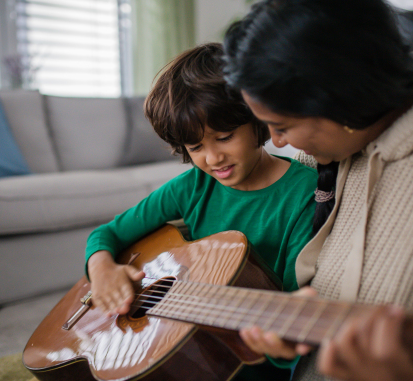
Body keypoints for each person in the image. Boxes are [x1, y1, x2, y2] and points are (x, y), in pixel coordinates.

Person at [222, 0, 413, 380]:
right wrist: (293, 330)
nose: (276, 142)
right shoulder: (341, 142)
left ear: (341, 100)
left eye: (281, 126)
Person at [85, 42, 318, 380]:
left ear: (258, 119)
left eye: (224, 137)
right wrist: (102, 268)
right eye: (195, 146)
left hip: (250, 359)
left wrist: (282, 348)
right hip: (186, 340)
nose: (212, 158)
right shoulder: (191, 186)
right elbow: (107, 233)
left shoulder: (303, 194)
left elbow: (294, 308)